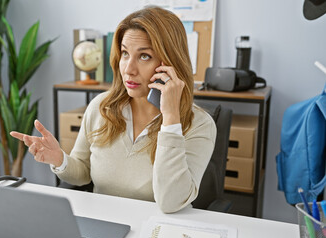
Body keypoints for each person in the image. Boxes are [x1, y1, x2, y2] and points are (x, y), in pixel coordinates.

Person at [11, 6, 216, 213]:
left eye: (144, 56)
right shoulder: (101, 108)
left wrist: (171, 119)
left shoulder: (199, 124)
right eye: (125, 53)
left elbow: (171, 202)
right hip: (105, 225)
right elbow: (82, 172)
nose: (129, 69)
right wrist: (60, 159)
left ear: (171, 62)